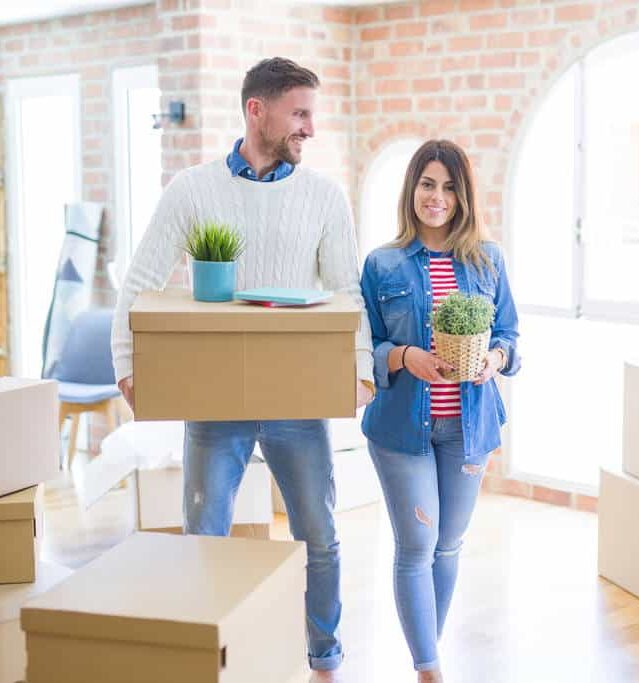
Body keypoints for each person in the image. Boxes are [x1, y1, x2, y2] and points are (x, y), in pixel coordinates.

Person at [112, 57, 375, 682]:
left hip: (298, 401)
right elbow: (141, 282)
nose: (310, 128)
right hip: (214, 401)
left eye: (313, 114)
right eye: (300, 113)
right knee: (205, 538)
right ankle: (208, 658)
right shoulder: (192, 190)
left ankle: (325, 659)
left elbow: (347, 292)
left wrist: (360, 369)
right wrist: (126, 364)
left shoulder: (323, 195)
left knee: (320, 535)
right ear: (257, 110)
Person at [359, 139, 520, 682]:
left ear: (463, 195)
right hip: (401, 430)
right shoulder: (382, 264)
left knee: (448, 546)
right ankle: (429, 671)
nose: (437, 196)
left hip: (469, 427)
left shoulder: (487, 260)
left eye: (449, 186)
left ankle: (429, 654)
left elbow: (510, 336)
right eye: (428, 184)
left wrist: (493, 358)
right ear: (412, 190)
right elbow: (365, 349)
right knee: (418, 544)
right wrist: (406, 357)